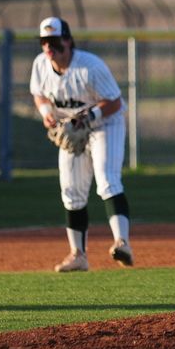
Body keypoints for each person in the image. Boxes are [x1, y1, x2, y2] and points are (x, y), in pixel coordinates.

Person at [30, 16, 135, 272]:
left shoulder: (89, 66)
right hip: (72, 129)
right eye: (44, 42)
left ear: (68, 40)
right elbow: (39, 93)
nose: (48, 47)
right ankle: (78, 255)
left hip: (105, 124)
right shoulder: (41, 65)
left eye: (54, 41)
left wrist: (87, 119)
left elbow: (115, 103)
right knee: (71, 190)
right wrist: (46, 113)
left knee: (107, 179)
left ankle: (122, 243)